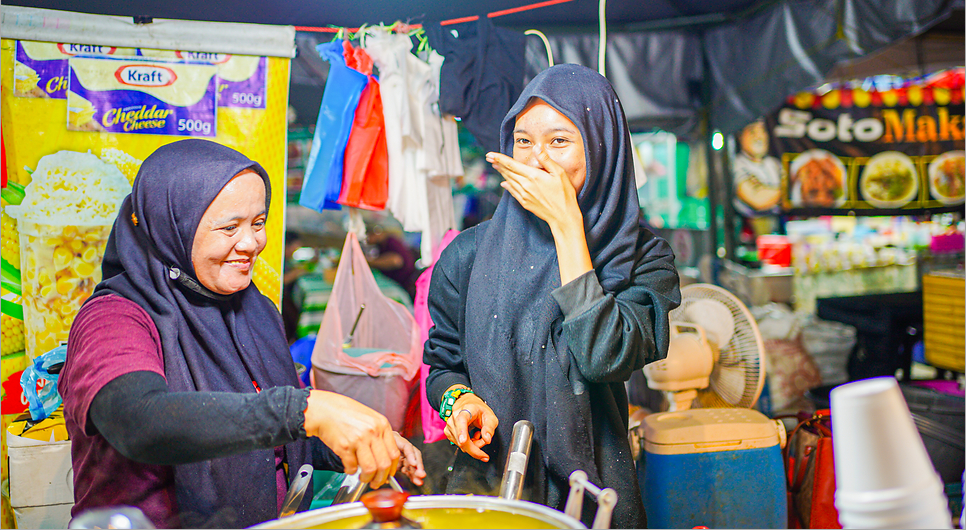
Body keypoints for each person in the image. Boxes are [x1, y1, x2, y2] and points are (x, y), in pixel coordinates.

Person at [58, 139, 425, 529]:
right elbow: (139, 422)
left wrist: (351, 443)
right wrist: (303, 410)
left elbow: (261, 437)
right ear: (171, 227)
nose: (251, 244)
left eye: (258, 223)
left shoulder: (254, 310)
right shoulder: (113, 318)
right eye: (229, 227)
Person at [423, 63, 680, 528]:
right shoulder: (467, 255)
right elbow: (443, 367)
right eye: (523, 141)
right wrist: (458, 402)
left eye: (559, 141)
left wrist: (567, 228)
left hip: (595, 498)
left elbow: (605, 357)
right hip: (488, 494)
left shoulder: (644, 259)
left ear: (602, 149)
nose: (535, 160)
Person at [732, 118, 782, 215]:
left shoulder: (774, 164)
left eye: (762, 131)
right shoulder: (737, 165)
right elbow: (757, 200)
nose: (759, 137)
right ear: (740, 137)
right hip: (748, 224)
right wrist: (785, 193)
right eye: (752, 131)